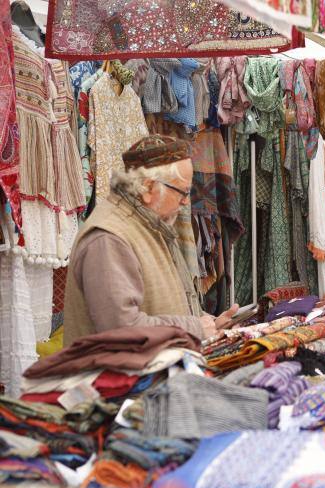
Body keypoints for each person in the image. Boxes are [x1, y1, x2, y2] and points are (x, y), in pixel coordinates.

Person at [64, 135, 238, 345]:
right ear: (147, 188)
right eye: (182, 192)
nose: (185, 202)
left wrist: (209, 324)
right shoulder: (108, 238)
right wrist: (194, 328)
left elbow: (169, 303)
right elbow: (120, 329)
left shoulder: (151, 222)